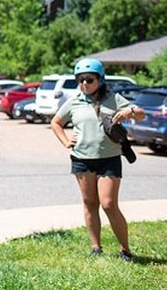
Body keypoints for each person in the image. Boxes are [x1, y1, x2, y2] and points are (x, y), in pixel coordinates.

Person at [50, 57, 144, 262]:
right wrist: (66, 141)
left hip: (109, 159)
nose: (84, 84)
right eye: (80, 79)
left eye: (89, 79)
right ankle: (96, 247)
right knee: (90, 203)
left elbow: (140, 115)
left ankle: (126, 250)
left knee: (109, 204)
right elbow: (56, 122)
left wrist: (130, 111)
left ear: (100, 80)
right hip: (82, 159)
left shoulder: (114, 98)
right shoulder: (74, 101)